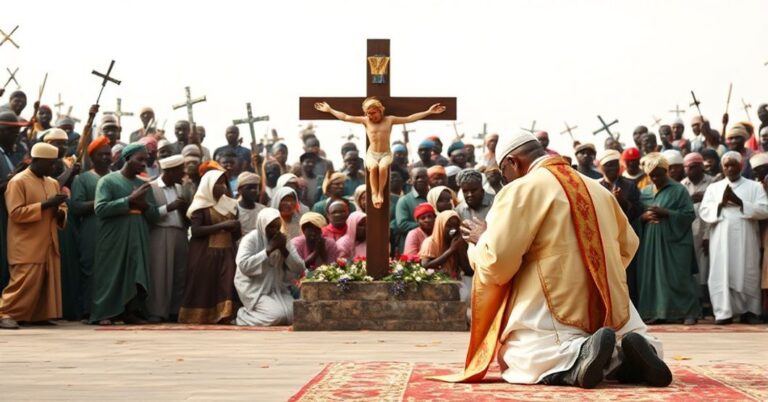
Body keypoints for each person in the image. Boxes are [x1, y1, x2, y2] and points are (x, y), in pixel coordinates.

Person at [440, 132, 669, 389]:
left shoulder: (521, 189)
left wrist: (481, 239)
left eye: (504, 173)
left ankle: (578, 357)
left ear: (513, 162)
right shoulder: (597, 187)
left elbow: (497, 262)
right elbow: (629, 245)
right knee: (624, 334)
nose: (505, 180)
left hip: (553, 301)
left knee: (519, 354)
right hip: (609, 299)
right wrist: (597, 272)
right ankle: (629, 355)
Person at [315, 98, 445, 208]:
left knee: (383, 167)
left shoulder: (389, 120)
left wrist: (429, 112)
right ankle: (373, 193)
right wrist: (330, 110)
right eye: (368, 114)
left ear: (380, 110)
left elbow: (410, 118)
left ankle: (380, 192)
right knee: (373, 168)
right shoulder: (366, 121)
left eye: (374, 113)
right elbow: (345, 117)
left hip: (385, 154)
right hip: (372, 153)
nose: (371, 116)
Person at [89, 143, 160, 325]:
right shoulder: (108, 181)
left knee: (136, 272)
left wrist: (143, 205)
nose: (144, 163)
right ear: (127, 159)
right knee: (111, 273)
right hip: (115, 235)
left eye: (146, 160)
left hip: (138, 234)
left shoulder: (143, 185)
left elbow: (153, 215)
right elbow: (101, 208)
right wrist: (129, 200)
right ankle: (104, 313)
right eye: (140, 159)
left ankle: (131, 312)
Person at [0, 143, 67, 329]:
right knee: (23, 284)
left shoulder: (52, 182)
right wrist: (46, 205)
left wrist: (60, 210)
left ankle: (38, 315)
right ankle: (4, 313)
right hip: (26, 243)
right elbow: (15, 213)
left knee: (44, 283)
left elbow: (60, 209)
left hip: (48, 241)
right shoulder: (18, 182)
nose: (54, 167)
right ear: (37, 161)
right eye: (50, 163)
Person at [699, 151, 768, 325]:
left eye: (733, 165)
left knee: (747, 272)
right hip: (720, 238)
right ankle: (723, 312)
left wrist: (740, 202)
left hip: (747, 237)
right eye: (726, 165)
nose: (730, 168)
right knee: (721, 273)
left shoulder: (755, 187)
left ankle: (750, 311)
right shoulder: (714, 188)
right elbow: (704, 211)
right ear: (722, 167)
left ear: (741, 165)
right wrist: (720, 204)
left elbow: (764, 210)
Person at [636, 153, 700, 325]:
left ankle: (688, 313)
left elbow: (688, 215)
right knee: (653, 277)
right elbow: (635, 217)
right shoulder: (645, 192)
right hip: (651, 242)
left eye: (659, 174)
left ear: (666, 171)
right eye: (652, 175)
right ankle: (656, 312)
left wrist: (667, 213)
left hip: (675, 242)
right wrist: (643, 218)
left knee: (679, 277)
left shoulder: (679, 190)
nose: (655, 178)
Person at [178, 170, 240, 324]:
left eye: (223, 183)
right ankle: (200, 316)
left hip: (227, 251)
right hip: (204, 253)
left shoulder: (231, 204)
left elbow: (236, 233)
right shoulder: (200, 205)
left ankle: (224, 315)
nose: (222, 187)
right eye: (217, 183)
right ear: (208, 185)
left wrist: (235, 227)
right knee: (204, 285)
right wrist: (222, 225)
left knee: (226, 284)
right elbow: (196, 231)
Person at [234, 208, 305, 326]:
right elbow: (244, 266)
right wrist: (268, 250)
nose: (275, 231)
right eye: (271, 227)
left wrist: (284, 250)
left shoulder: (283, 239)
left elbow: (299, 267)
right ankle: (242, 316)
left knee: (295, 315)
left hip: (277, 288)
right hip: (255, 289)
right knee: (276, 317)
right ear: (262, 226)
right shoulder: (250, 239)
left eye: (277, 227)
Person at [70, 136, 112, 320]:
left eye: (108, 154)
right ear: (93, 158)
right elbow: (76, 206)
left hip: (113, 230)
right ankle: (89, 310)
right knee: (91, 270)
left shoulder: (116, 177)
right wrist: (102, 203)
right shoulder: (83, 179)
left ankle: (110, 310)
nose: (106, 158)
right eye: (102, 155)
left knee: (111, 270)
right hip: (91, 230)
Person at [146, 155, 189, 323]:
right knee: (160, 273)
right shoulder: (152, 187)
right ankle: (157, 311)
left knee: (179, 273)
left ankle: (174, 310)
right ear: (169, 171)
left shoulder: (180, 188)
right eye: (180, 171)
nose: (183, 174)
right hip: (160, 233)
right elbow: (149, 213)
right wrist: (169, 208)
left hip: (180, 232)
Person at [598, 149, 642, 304]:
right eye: (608, 165)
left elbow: (637, 211)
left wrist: (621, 201)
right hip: (605, 237)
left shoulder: (630, 185)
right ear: (601, 168)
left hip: (625, 235)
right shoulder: (597, 186)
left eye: (615, 165)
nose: (613, 169)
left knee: (629, 274)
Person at [680, 152, 716, 307]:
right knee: (692, 269)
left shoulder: (712, 183)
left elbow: (714, 209)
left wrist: (707, 235)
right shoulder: (682, 185)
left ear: (701, 167)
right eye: (687, 167)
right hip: (687, 232)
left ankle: (708, 302)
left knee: (707, 267)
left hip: (707, 231)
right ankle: (696, 302)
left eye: (693, 167)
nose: (690, 170)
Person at [419, 210, 471, 301]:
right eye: (449, 226)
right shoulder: (430, 242)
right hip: (435, 287)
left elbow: (468, 270)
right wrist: (451, 250)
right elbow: (425, 265)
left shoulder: (455, 242)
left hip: (454, 285)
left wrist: (460, 249)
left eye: (456, 225)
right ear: (440, 226)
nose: (453, 229)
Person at [395, 167, 429, 253]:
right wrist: (427, 225)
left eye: (424, 177)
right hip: (414, 245)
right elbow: (402, 224)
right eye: (417, 177)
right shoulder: (404, 200)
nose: (421, 180)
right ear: (411, 180)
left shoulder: (433, 197)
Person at [236, 172, 265, 236]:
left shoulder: (263, 210)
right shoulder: (234, 210)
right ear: (239, 190)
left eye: (255, 188)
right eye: (249, 188)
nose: (253, 191)